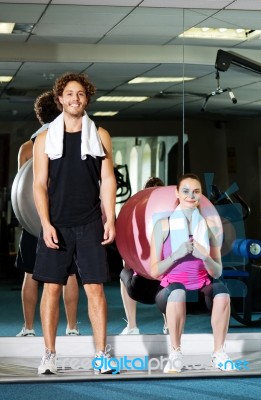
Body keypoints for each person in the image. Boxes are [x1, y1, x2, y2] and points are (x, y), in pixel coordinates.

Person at [32, 72, 117, 375]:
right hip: (57, 223)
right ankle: (49, 354)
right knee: (52, 289)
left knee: (95, 289)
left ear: (87, 98)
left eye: (80, 94)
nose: (75, 98)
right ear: (60, 99)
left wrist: (111, 218)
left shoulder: (101, 135)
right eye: (69, 94)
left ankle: (100, 355)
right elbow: (39, 185)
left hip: (90, 222)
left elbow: (108, 179)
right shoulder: (44, 139)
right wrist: (45, 223)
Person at [150, 173, 232, 373]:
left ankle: (219, 353)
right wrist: (175, 256)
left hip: (200, 291)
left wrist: (205, 256)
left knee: (222, 292)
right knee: (178, 292)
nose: (191, 196)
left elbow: (218, 270)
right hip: (170, 292)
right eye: (185, 191)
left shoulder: (209, 227)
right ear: (177, 193)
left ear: (201, 195)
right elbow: (154, 271)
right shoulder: (163, 225)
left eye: (196, 192)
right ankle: (176, 353)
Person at [15, 90, 80, 337]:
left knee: (31, 273)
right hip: (65, 218)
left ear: (40, 116)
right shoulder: (72, 141)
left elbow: (22, 189)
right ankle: (72, 328)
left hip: (35, 220)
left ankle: (28, 328)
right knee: (70, 273)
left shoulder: (27, 148)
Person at [119, 177, 166, 335]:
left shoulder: (142, 218)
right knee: (125, 273)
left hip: (156, 283)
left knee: (124, 273)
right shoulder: (163, 218)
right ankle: (134, 326)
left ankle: (135, 326)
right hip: (147, 283)